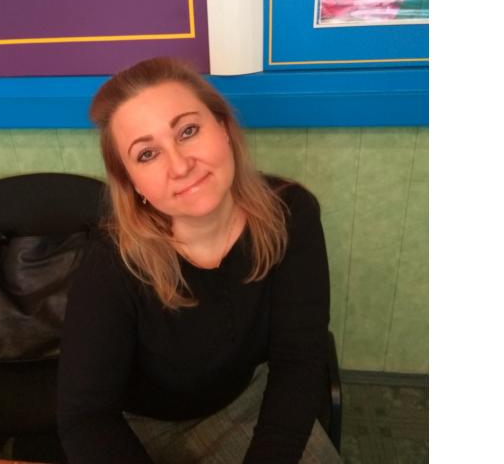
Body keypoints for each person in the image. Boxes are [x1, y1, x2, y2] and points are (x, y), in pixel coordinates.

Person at [57, 58, 343, 463]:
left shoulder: (291, 213)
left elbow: (298, 357)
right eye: (147, 154)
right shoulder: (111, 264)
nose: (180, 165)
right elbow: (86, 417)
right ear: (133, 183)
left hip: (245, 401)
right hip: (140, 424)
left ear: (223, 128)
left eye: (188, 131)